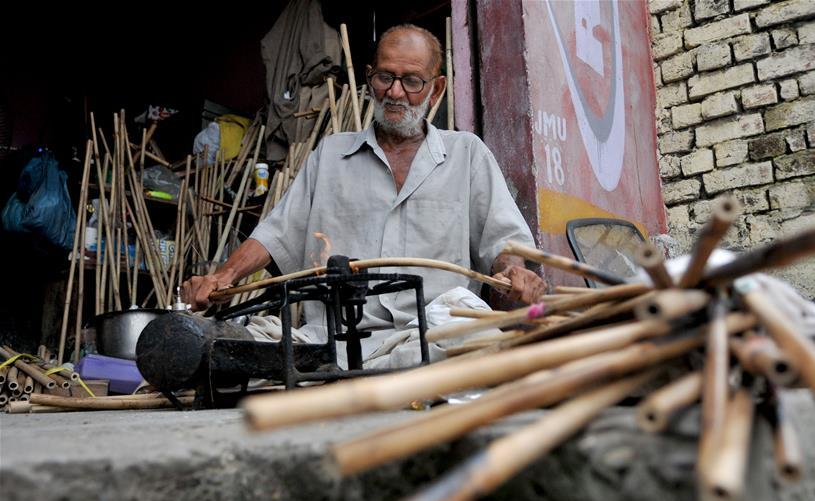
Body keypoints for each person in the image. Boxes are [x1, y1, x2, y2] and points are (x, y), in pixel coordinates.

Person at [182, 24, 545, 364]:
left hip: (433, 335)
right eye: (385, 77)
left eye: (412, 81)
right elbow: (276, 234)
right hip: (335, 343)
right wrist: (222, 276)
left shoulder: (467, 154)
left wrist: (515, 273)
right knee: (227, 353)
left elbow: (503, 244)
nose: (395, 91)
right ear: (370, 77)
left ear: (436, 89)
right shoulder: (330, 156)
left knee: (482, 345)